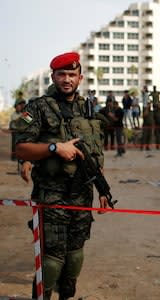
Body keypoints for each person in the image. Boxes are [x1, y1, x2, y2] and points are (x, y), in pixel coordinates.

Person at [15, 51, 110, 299]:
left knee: (75, 255)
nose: (66, 79)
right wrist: (56, 148)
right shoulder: (37, 108)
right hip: (52, 194)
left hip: (83, 194)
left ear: (80, 78)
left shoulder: (89, 110)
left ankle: (66, 295)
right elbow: (21, 147)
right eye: (61, 74)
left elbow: (94, 155)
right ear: (53, 76)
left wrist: (103, 190)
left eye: (71, 74)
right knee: (52, 259)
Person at [9, 93, 27, 161]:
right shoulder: (14, 114)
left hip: (23, 131)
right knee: (15, 144)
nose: (21, 106)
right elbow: (14, 124)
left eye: (22, 105)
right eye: (19, 105)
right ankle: (14, 157)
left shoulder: (25, 113)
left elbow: (29, 121)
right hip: (16, 131)